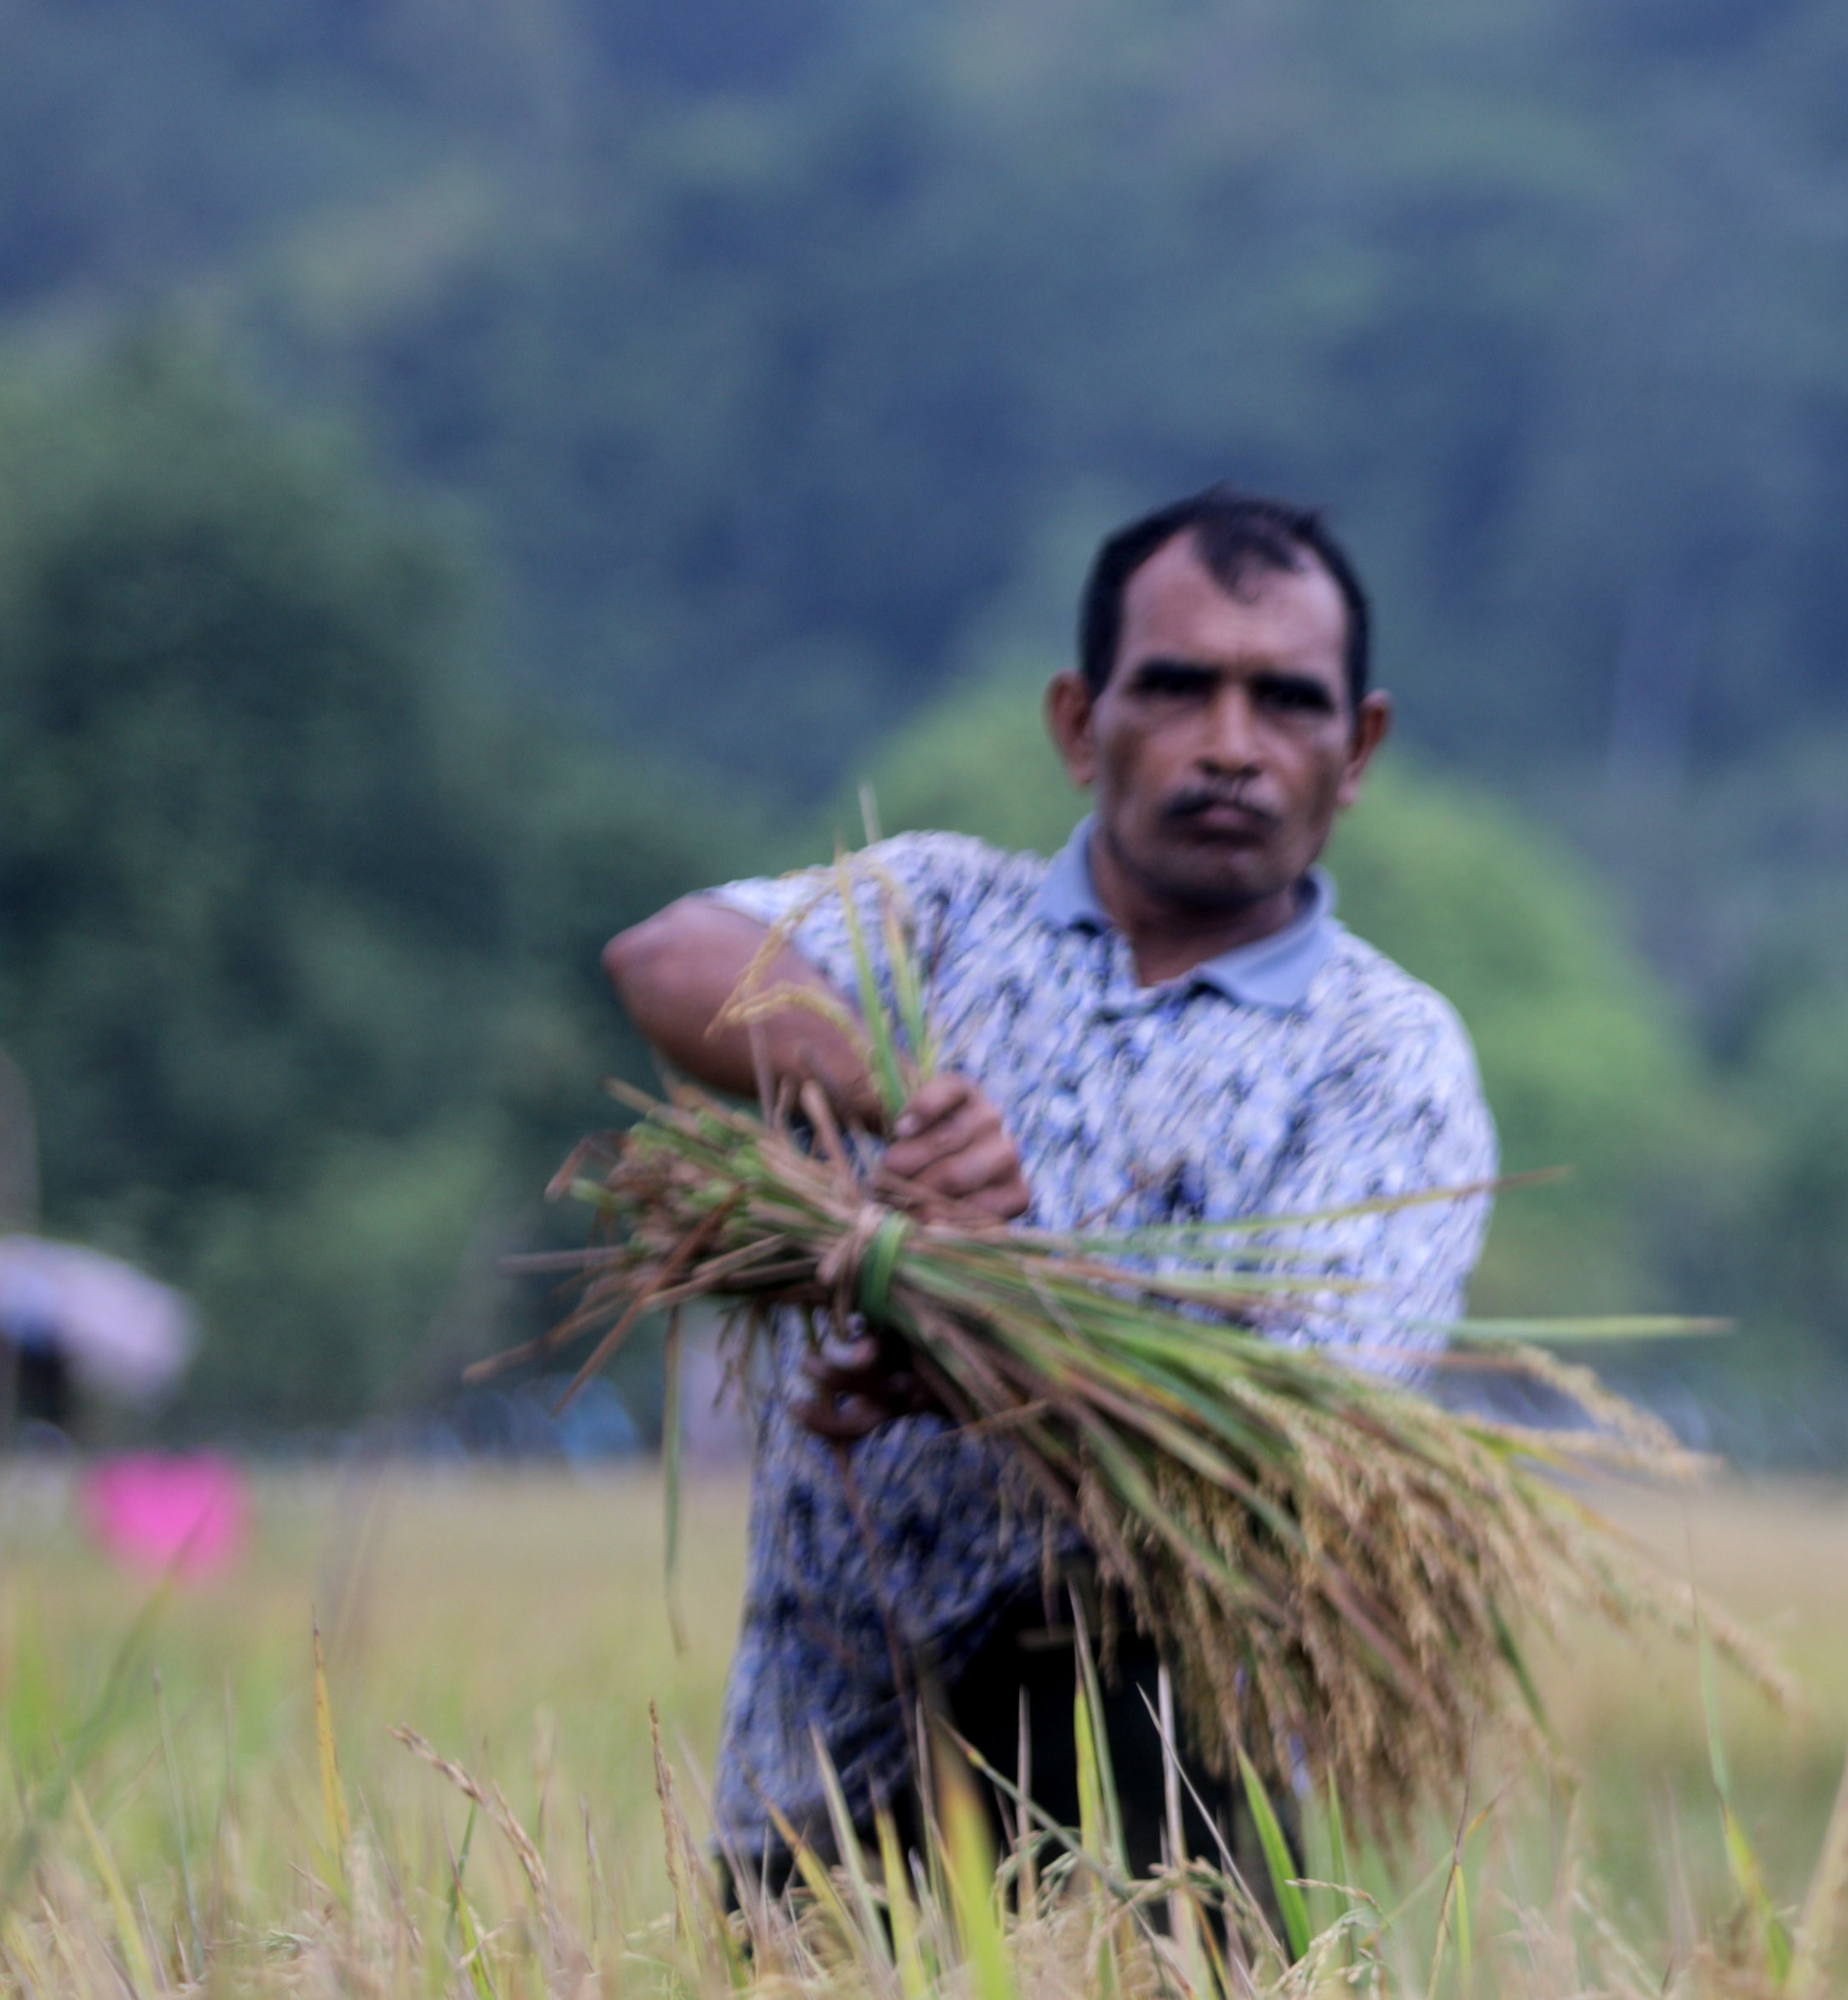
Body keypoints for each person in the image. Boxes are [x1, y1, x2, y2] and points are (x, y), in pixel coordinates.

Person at [603, 489, 1494, 1912]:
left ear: (1358, 745)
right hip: (824, 1790)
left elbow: (1282, 1443)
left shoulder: (1388, 1060)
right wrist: (901, 1110)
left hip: (1170, 1835)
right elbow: (672, 956)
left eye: (1286, 702)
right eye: (1178, 689)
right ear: (1081, 722)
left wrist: (968, 1324)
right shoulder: (942, 917)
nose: (1230, 744)